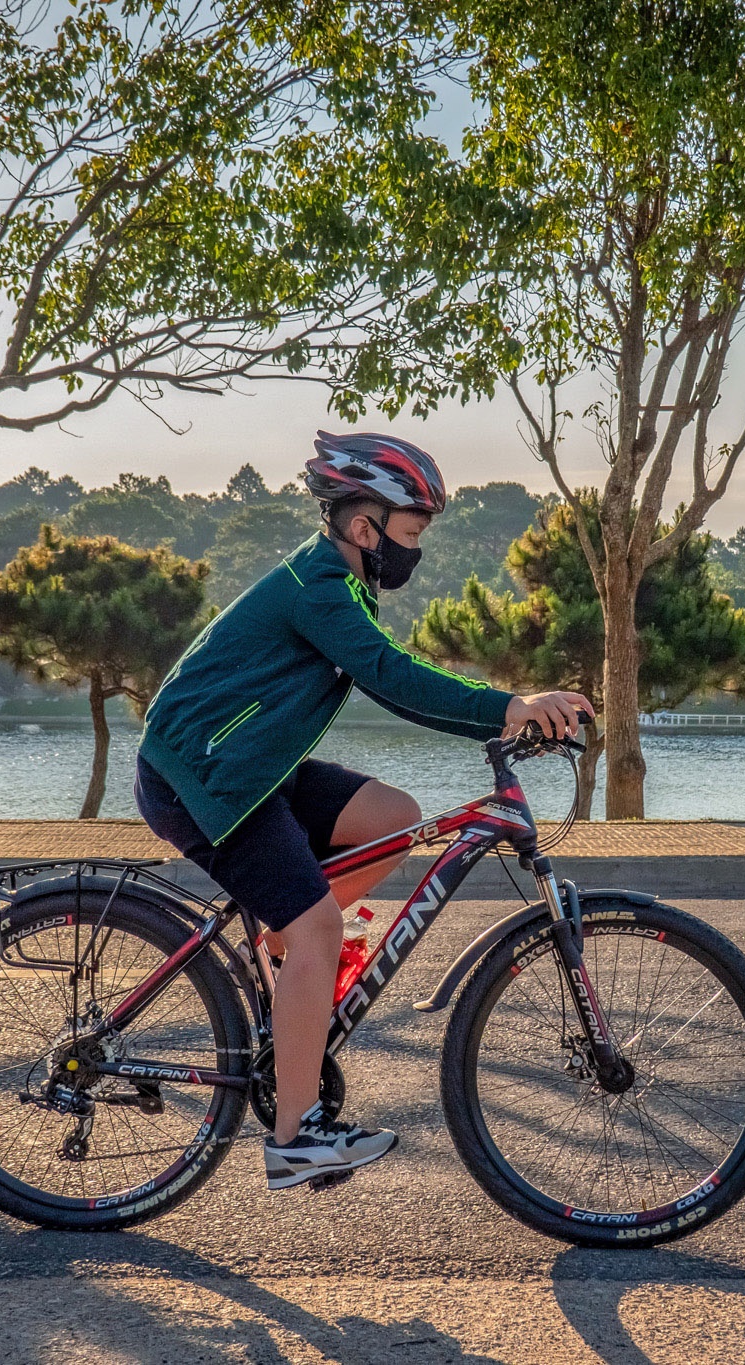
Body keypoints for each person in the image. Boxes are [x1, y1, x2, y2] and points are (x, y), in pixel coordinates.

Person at [133, 431, 590, 1191]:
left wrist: (502, 713)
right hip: (202, 776)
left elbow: (392, 676)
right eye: (411, 534)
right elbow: (390, 675)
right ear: (363, 527)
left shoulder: (341, 584)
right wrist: (511, 706)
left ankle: (283, 941)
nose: (416, 551)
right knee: (321, 927)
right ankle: (296, 1136)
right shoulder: (319, 585)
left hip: (250, 766)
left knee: (392, 817)